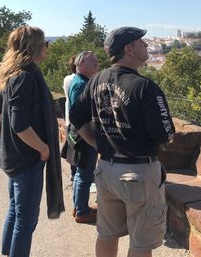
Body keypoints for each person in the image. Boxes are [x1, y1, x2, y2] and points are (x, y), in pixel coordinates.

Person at [70, 26, 175, 257]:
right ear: (128, 49)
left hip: (106, 169)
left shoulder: (96, 80)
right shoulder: (145, 87)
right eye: (141, 42)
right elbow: (165, 134)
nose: (147, 45)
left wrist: (97, 143)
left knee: (107, 234)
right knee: (141, 243)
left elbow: (76, 116)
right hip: (139, 172)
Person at [0, 26, 65, 257]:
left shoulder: (11, 74)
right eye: (45, 42)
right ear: (33, 46)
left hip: (14, 157)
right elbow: (19, 124)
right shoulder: (25, 77)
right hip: (27, 159)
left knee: (15, 212)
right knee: (25, 222)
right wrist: (43, 148)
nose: (47, 46)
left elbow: (0, 114)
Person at [69, 51, 100, 223]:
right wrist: (92, 139)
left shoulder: (82, 81)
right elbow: (79, 115)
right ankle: (82, 211)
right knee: (85, 174)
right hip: (84, 135)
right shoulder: (82, 84)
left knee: (81, 173)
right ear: (80, 65)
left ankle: (79, 207)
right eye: (92, 61)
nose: (97, 63)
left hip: (79, 134)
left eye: (96, 60)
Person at [63, 54, 78, 181]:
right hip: (76, 119)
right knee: (77, 146)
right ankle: (76, 173)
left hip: (68, 116)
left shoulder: (67, 79)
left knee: (71, 145)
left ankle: (73, 172)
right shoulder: (77, 81)